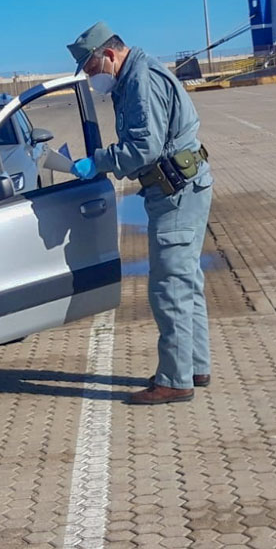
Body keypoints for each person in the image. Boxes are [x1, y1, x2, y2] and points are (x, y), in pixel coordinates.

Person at [67, 22, 214, 405]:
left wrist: (97, 162)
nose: (93, 78)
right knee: (186, 281)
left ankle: (175, 380)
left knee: (169, 287)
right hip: (184, 187)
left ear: (110, 54)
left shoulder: (139, 81)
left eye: (93, 69)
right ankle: (193, 365)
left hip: (175, 193)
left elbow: (142, 150)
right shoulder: (138, 73)